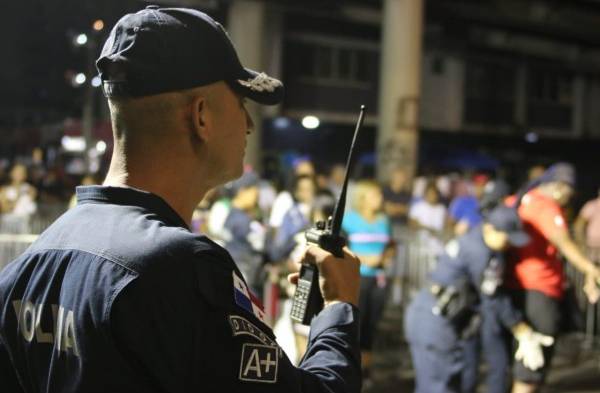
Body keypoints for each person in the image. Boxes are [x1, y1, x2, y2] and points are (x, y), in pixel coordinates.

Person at [0, 7, 362, 393]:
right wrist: (338, 307)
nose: (250, 125)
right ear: (201, 116)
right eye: (241, 104)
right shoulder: (180, 268)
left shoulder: (30, 265)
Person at [404, 206, 552, 393]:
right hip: (436, 318)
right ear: (489, 228)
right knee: (439, 385)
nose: (509, 245)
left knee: (446, 381)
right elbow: (492, 296)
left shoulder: (476, 239)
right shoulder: (479, 251)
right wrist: (520, 328)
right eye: (506, 238)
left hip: (438, 314)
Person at [506, 163, 600, 393]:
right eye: (569, 193)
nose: (569, 200)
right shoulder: (545, 207)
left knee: (526, 359)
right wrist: (590, 269)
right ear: (559, 187)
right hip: (539, 289)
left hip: (519, 285)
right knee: (531, 364)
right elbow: (563, 241)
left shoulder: (518, 199)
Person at [342, 180, 394, 384]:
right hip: (358, 277)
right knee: (356, 324)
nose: (380, 199)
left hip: (379, 279)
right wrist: (363, 258)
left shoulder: (384, 220)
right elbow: (342, 248)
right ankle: (350, 368)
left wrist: (386, 257)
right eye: (376, 195)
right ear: (363, 198)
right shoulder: (349, 220)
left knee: (372, 325)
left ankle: (366, 370)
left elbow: (391, 244)